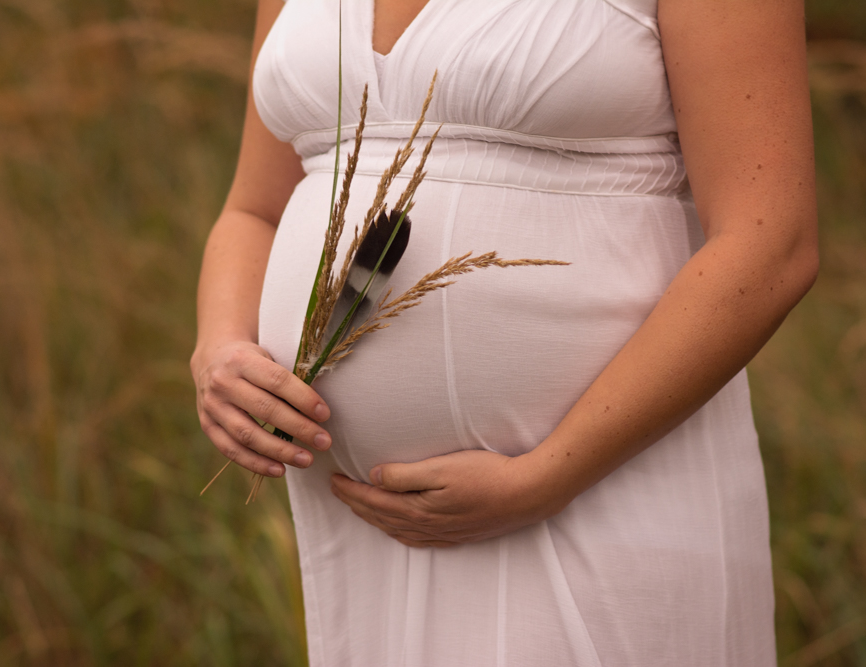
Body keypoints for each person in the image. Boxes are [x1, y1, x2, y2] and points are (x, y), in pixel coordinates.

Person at [190, 0, 818, 664]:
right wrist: (220, 348)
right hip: (360, 526)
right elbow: (254, 208)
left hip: (601, 490)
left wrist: (546, 477)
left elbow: (769, 240)